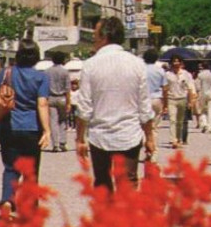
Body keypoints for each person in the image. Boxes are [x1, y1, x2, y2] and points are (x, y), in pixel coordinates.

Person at [74, 17, 154, 190]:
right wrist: (150, 137)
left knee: (102, 184)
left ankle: (106, 217)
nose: (93, 39)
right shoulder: (137, 64)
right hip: (129, 133)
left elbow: (84, 108)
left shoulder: (90, 65)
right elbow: (144, 107)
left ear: (104, 37)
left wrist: (80, 138)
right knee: (128, 182)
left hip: (99, 135)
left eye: (95, 35)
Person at [0, 39, 51, 216]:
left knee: (11, 168)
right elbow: (42, 104)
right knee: (31, 171)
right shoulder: (41, 77)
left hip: (8, 125)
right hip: (32, 128)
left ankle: (7, 200)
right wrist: (47, 130)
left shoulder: (6, 73)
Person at [162, 53, 197, 148]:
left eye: (177, 61)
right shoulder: (167, 75)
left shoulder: (186, 74)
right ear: (171, 63)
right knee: (172, 120)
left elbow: (190, 88)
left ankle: (179, 139)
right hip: (171, 99)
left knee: (180, 121)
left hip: (182, 99)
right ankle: (173, 140)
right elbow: (164, 88)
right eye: (174, 61)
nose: (176, 63)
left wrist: (190, 101)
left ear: (181, 63)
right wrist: (164, 104)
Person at [143, 48, 166, 161]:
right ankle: (154, 153)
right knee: (154, 128)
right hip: (157, 99)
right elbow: (165, 88)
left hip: (144, 100)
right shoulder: (160, 71)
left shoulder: (140, 70)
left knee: (143, 128)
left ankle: (147, 150)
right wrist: (165, 103)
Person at [47, 51, 71, 152]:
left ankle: (55, 144)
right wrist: (69, 102)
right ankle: (62, 142)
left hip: (50, 98)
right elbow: (67, 88)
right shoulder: (65, 72)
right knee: (63, 120)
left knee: (53, 121)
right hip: (62, 97)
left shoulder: (47, 71)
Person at [195, 61, 211, 134]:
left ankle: (204, 124)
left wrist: (197, 93)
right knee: (210, 111)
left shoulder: (200, 75)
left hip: (202, 93)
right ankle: (210, 127)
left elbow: (197, 86)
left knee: (202, 110)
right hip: (210, 93)